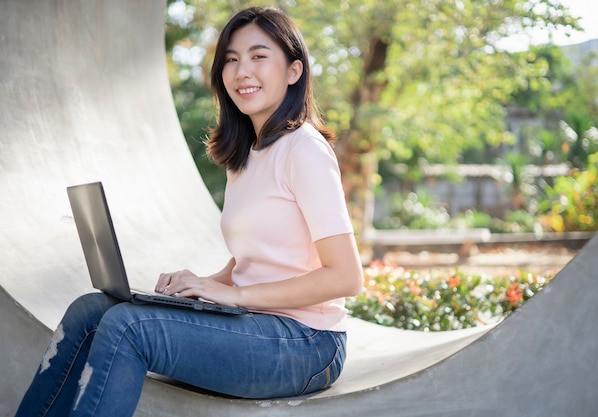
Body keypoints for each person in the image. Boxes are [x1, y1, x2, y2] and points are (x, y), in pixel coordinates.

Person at [14, 6, 364, 417]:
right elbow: (261, 256)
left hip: (307, 343)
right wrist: (203, 285)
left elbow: (345, 276)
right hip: (256, 324)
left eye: (258, 56)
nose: (241, 70)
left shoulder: (304, 150)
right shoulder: (248, 156)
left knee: (129, 327)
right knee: (91, 310)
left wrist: (234, 296)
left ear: (293, 71)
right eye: (231, 60)